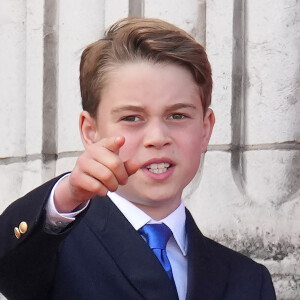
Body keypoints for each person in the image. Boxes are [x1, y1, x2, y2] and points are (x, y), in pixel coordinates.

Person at [0, 17, 276, 300]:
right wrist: (67, 195)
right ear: (90, 132)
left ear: (205, 129)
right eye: (131, 118)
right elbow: (8, 267)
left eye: (177, 115)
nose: (157, 137)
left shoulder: (248, 281)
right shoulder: (55, 251)